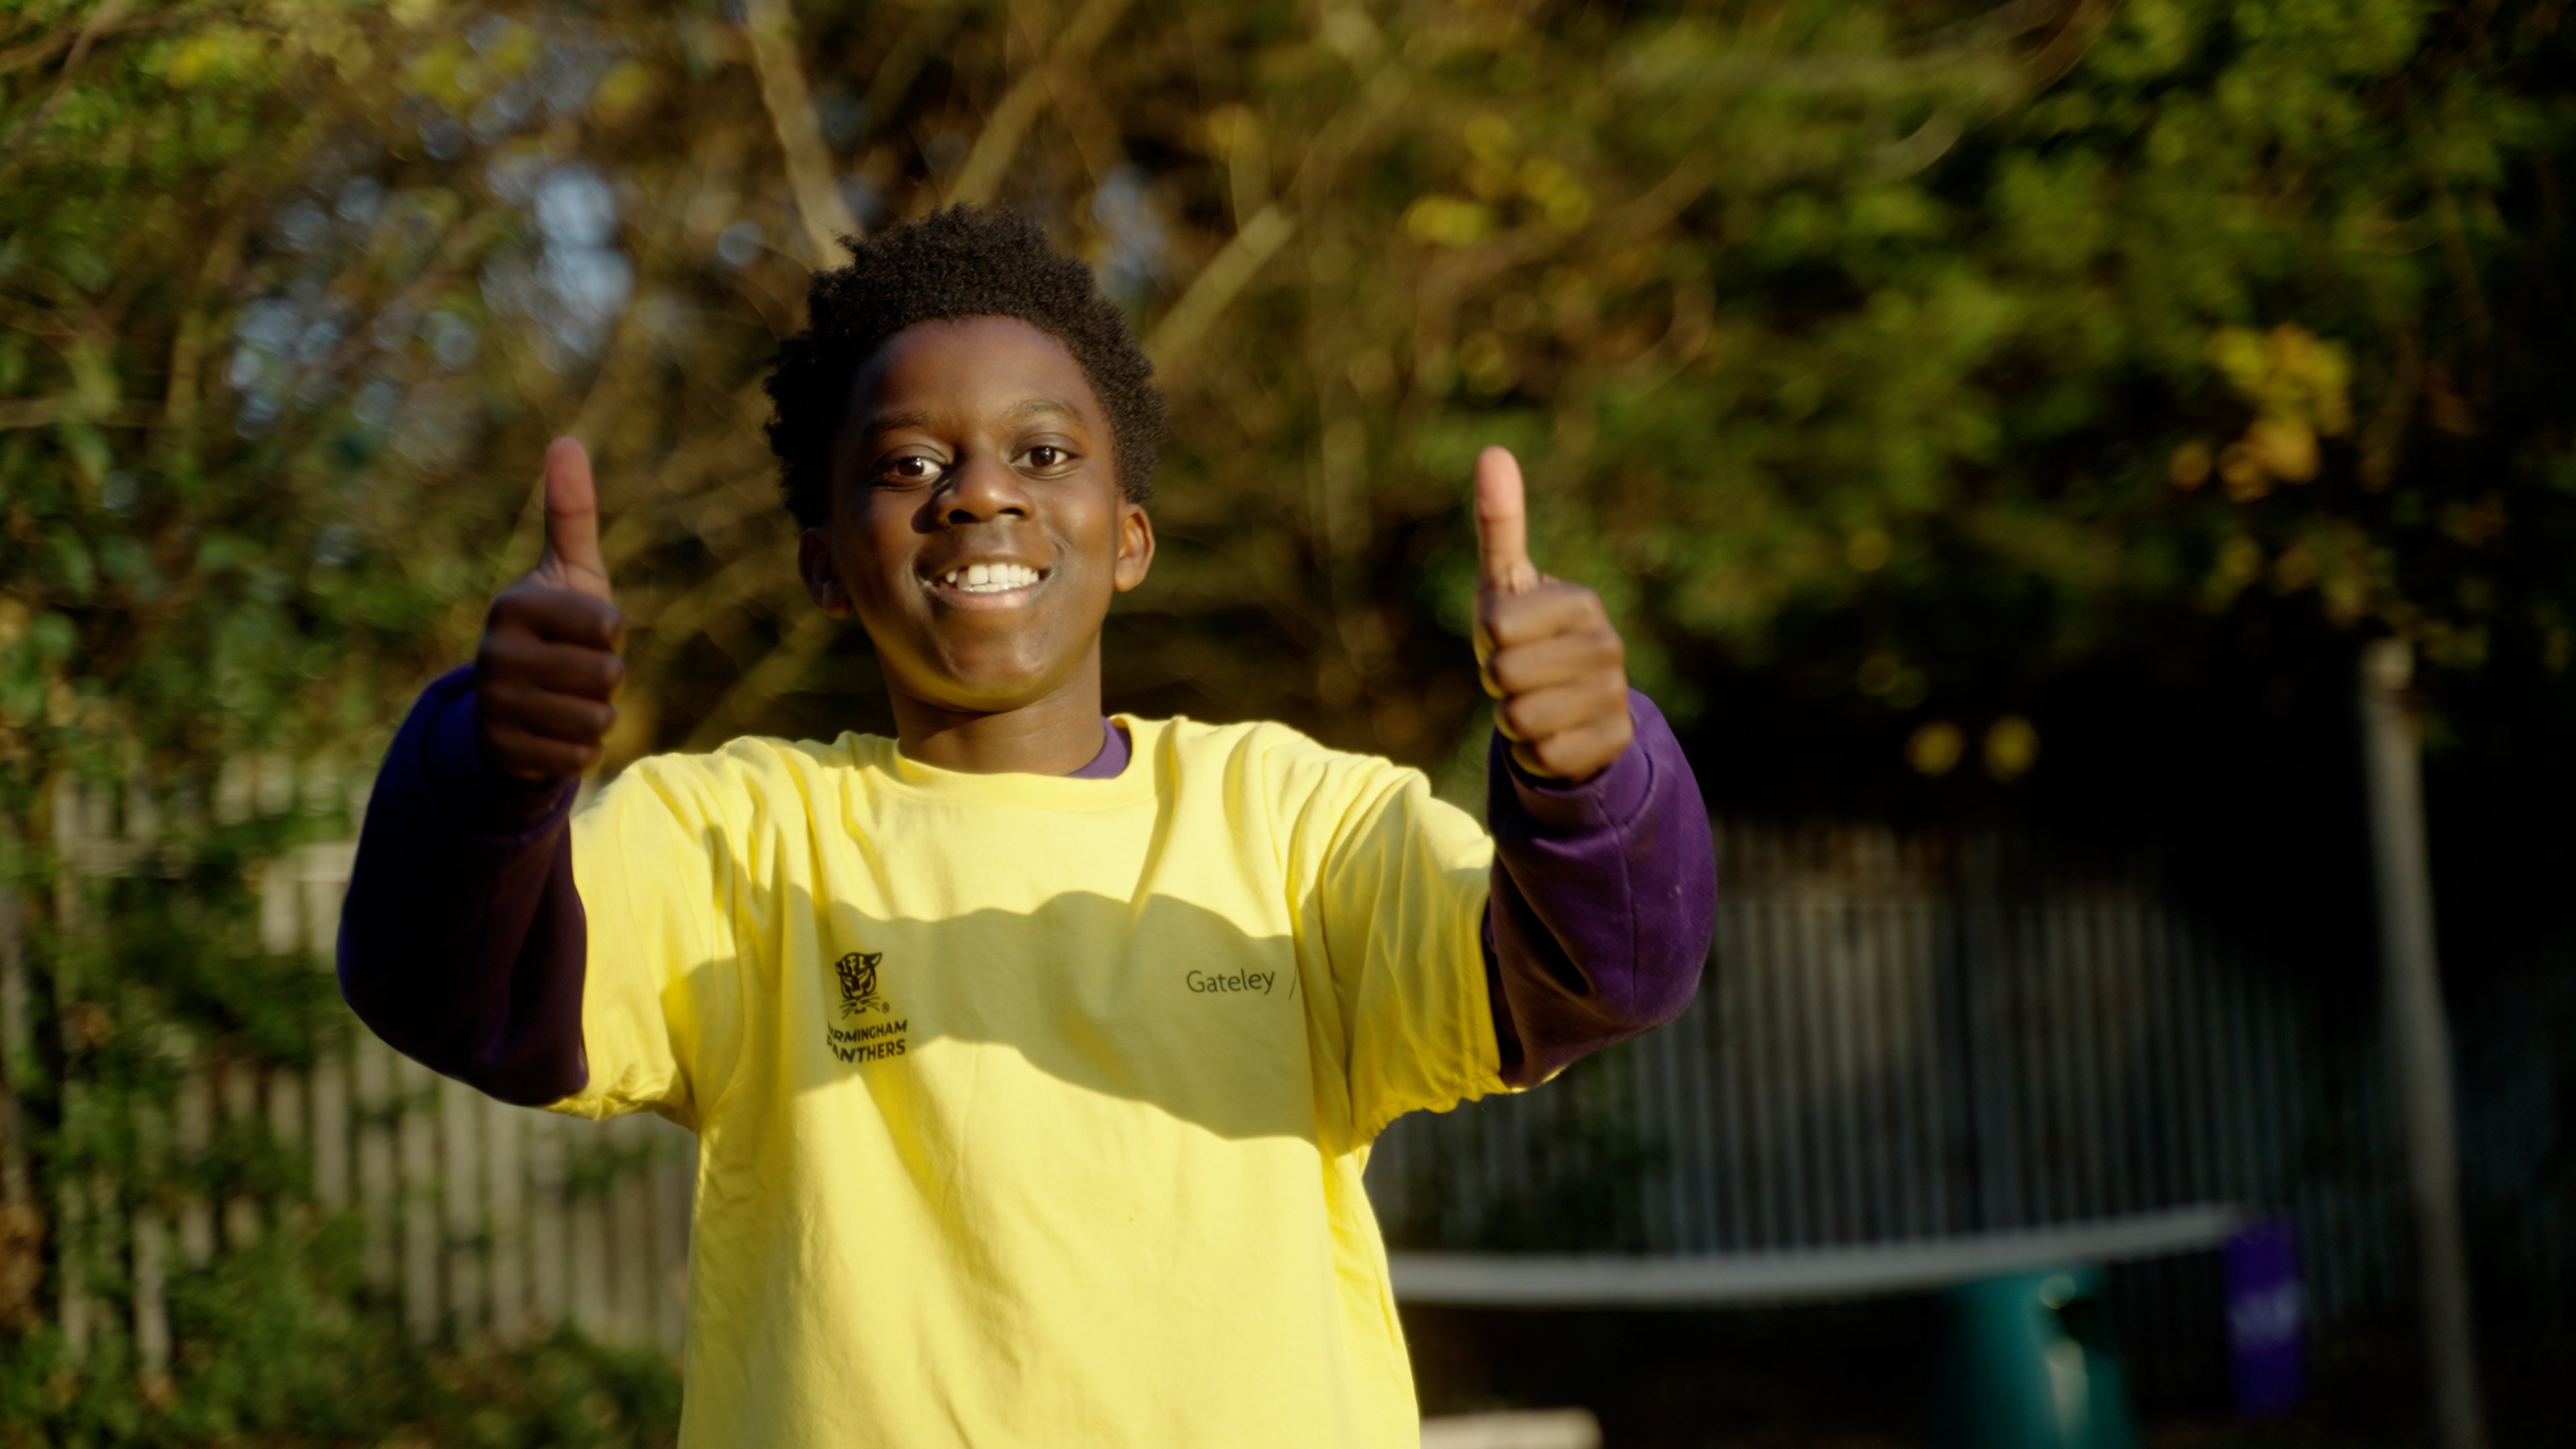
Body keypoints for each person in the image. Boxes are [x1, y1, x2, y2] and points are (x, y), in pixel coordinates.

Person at [339, 206, 1714, 1448]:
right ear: (827, 560)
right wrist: (489, 771)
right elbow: (454, 989)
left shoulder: (1298, 821)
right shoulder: (742, 841)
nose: (979, 490)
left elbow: (1597, 973)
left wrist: (1589, 774)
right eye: (909, 461)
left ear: (1127, 539)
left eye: (1041, 451)